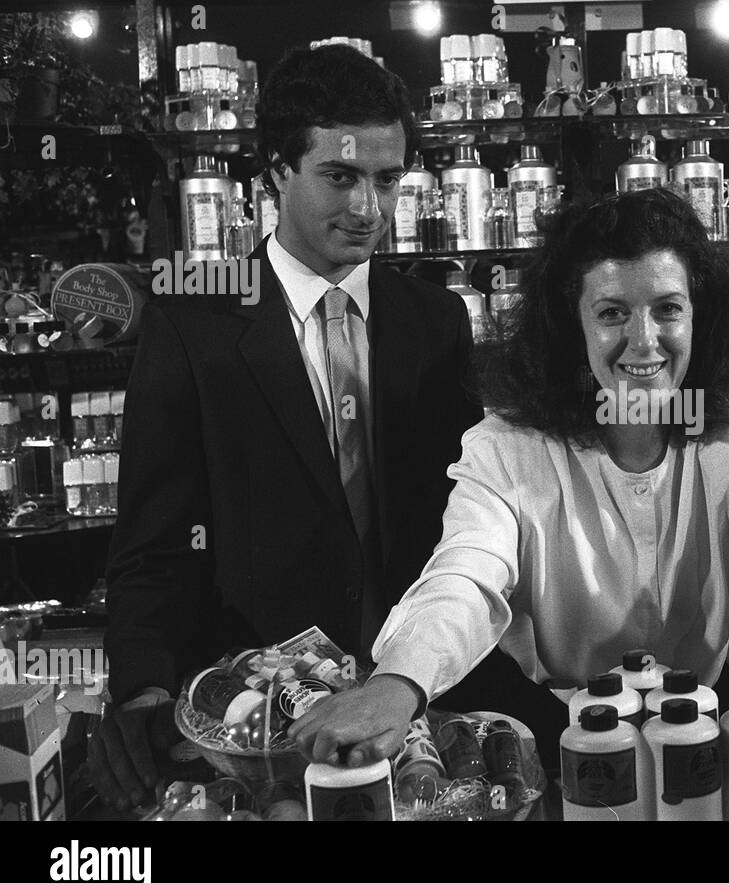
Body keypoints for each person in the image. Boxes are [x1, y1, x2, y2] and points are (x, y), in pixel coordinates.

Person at [290, 188, 729, 768]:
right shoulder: (508, 448)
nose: (644, 342)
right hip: (552, 733)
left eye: (667, 309)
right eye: (613, 313)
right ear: (574, 324)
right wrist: (400, 681)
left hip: (701, 724)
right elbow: (464, 577)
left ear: (700, 315)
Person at [90, 45, 483, 810]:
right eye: (340, 176)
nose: (369, 208)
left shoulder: (435, 320)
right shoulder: (193, 323)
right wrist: (142, 690)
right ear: (274, 170)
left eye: (388, 178)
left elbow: (464, 519)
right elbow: (154, 542)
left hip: (417, 702)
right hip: (258, 720)